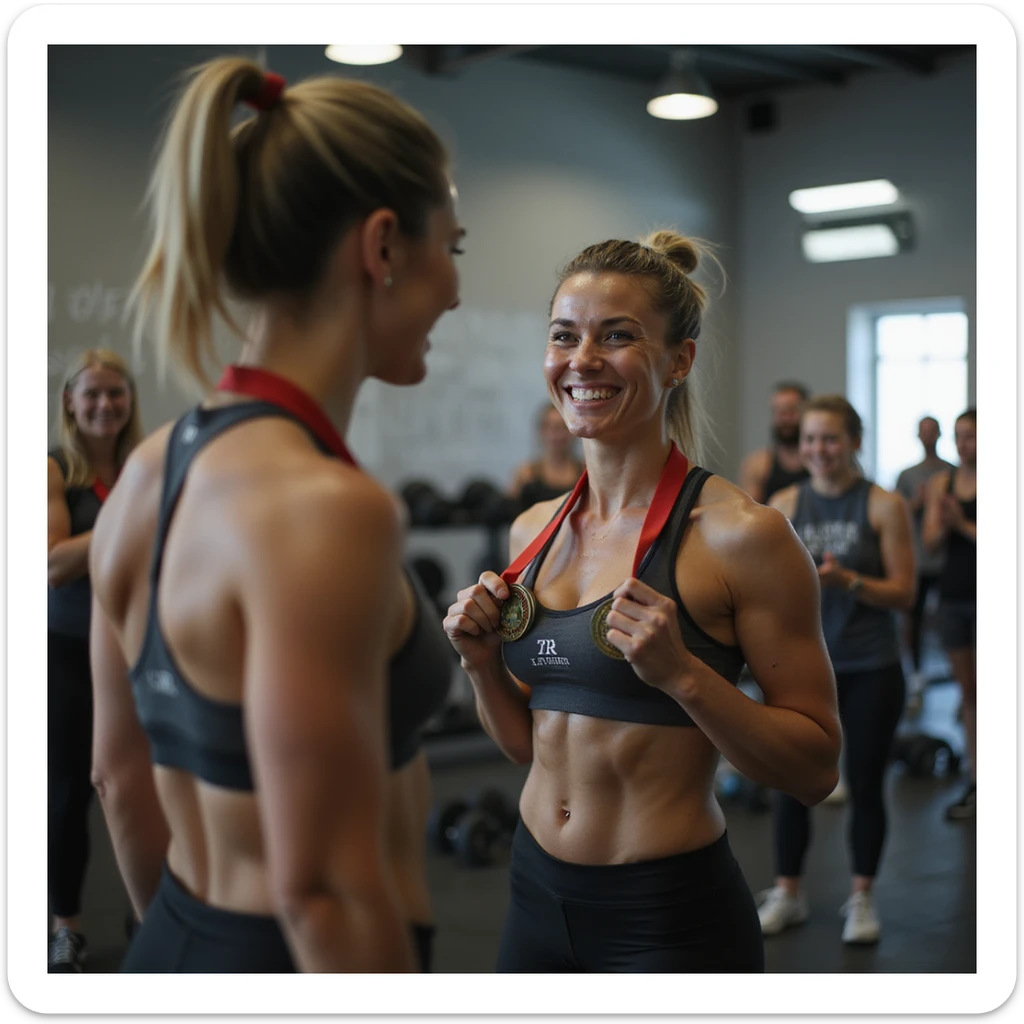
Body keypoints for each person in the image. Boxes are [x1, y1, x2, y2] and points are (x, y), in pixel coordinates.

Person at [87, 57, 462, 973]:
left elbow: (121, 780)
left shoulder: (146, 475)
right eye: (451, 248)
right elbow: (323, 893)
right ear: (381, 248)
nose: (453, 289)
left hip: (177, 939)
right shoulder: (326, 510)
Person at [443, 231, 841, 973]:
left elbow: (816, 768)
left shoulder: (741, 536)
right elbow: (535, 749)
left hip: (664, 916)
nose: (582, 360)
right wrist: (480, 667)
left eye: (617, 336)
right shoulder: (533, 530)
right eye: (565, 336)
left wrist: (684, 675)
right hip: (534, 896)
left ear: (678, 361)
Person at [760, 395, 916, 945]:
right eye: (809, 439)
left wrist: (844, 579)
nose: (818, 450)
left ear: (854, 442)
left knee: (867, 783)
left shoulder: (881, 505)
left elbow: (904, 593)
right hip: (802, 670)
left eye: (830, 439)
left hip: (871, 665)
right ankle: (788, 892)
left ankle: (863, 896)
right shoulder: (782, 502)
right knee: (790, 785)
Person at [47, 348, 143, 972]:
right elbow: (52, 562)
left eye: (117, 393)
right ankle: (67, 929)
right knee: (66, 796)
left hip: (138, 651)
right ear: (70, 403)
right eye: (93, 394)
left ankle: (149, 914)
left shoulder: (142, 468)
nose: (105, 404)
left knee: (142, 791)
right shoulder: (54, 471)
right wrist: (128, 516)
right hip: (67, 652)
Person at [922, 409, 976, 821]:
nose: (964, 444)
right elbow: (932, 542)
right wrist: (944, 522)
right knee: (970, 695)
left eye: (972, 436)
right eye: (959, 437)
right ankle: (977, 781)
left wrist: (964, 524)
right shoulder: (942, 483)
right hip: (955, 596)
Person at [738, 381, 811, 505]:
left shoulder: (821, 460)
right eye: (778, 412)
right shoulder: (758, 465)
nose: (785, 418)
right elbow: (748, 513)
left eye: (791, 411)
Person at [508, 402, 584, 508]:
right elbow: (511, 513)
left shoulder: (586, 472)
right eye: (554, 428)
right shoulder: (526, 474)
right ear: (542, 431)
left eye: (564, 428)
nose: (559, 435)